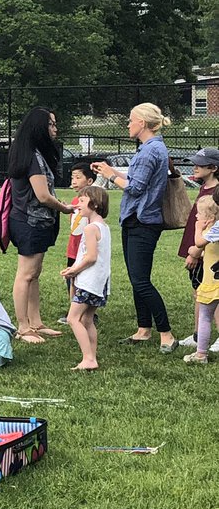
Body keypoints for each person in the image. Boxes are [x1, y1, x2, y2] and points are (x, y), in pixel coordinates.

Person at [92, 103, 176, 352]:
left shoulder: (150, 151)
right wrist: (113, 171)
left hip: (143, 221)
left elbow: (135, 188)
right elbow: (139, 181)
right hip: (137, 220)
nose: (128, 124)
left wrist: (109, 174)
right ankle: (143, 329)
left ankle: (166, 334)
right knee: (137, 278)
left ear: (143, 123)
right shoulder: (152, 148)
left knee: (140, 281)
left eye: (131, 120)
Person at [6, 108, 73, 343]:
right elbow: (43, 196)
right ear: (39, 128)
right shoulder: (32, 157)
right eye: (51, 125)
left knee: (34, 274)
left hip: (36, 222)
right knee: (25, 274)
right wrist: (64, 208)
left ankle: (36, 322)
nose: (55, 129)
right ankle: (23, 326)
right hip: (29, 222)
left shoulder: (33, 153)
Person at [60, 186, 111, 372]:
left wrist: (74, 271)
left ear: (95, 204)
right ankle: (92, 357)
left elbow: (90, 257)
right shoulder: (103, 227)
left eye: (82, 201)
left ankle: (88, 358)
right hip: (99, 283)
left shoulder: (90, 228)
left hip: (89, 283)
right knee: (87, 320)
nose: (77, 204)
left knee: (73, 319)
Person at [178, 147, 219, 353]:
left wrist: (196, 251)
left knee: (213, 295)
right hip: (196, 247)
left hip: (207, 254)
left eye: (200, 164)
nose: (194, 167)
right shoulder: (204, 189)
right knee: (199, 293)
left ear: (213, 168)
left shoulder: (216, 193)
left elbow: (212, 231)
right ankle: (197, 335)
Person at [184, 191, 219, 364]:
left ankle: (201, 354)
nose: (196, 216)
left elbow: (197, 244)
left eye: (199, 214)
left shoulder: (214, 229)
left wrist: (198, 228)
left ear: (210, 218)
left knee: (205, 316)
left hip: (213, 282)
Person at [60, 164, 95, 322]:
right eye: (72, 177)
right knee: (72, 278)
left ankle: (88, 313)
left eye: (78, 177)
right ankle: (73, 311)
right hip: (73, 249)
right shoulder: (75, 201)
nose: (74, 181)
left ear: (89, 181)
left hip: (85, 250)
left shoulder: (93, 202)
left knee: (85, 280)